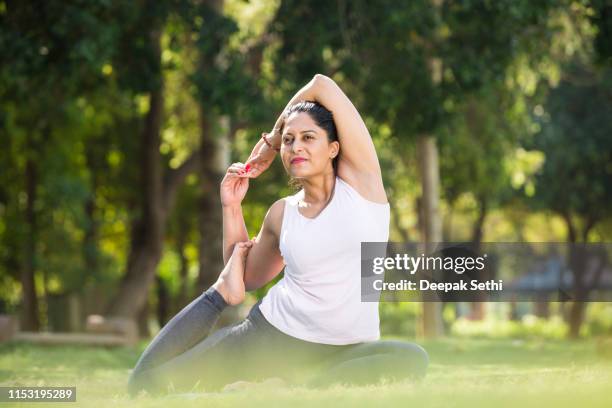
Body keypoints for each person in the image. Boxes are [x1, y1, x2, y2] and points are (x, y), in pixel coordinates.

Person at [128, 74, 428, 396]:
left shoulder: (362, 184)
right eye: (288, 140)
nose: (295, 146)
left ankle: (288, 386)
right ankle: (288, 382)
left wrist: (271, 141)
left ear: (333, 148)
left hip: (347, 348)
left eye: (308, 137)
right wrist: (231, 207)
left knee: (411, 358)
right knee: (145, 385)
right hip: (269, 339)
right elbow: (241, 277)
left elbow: (321, 84)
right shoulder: (282, 213)